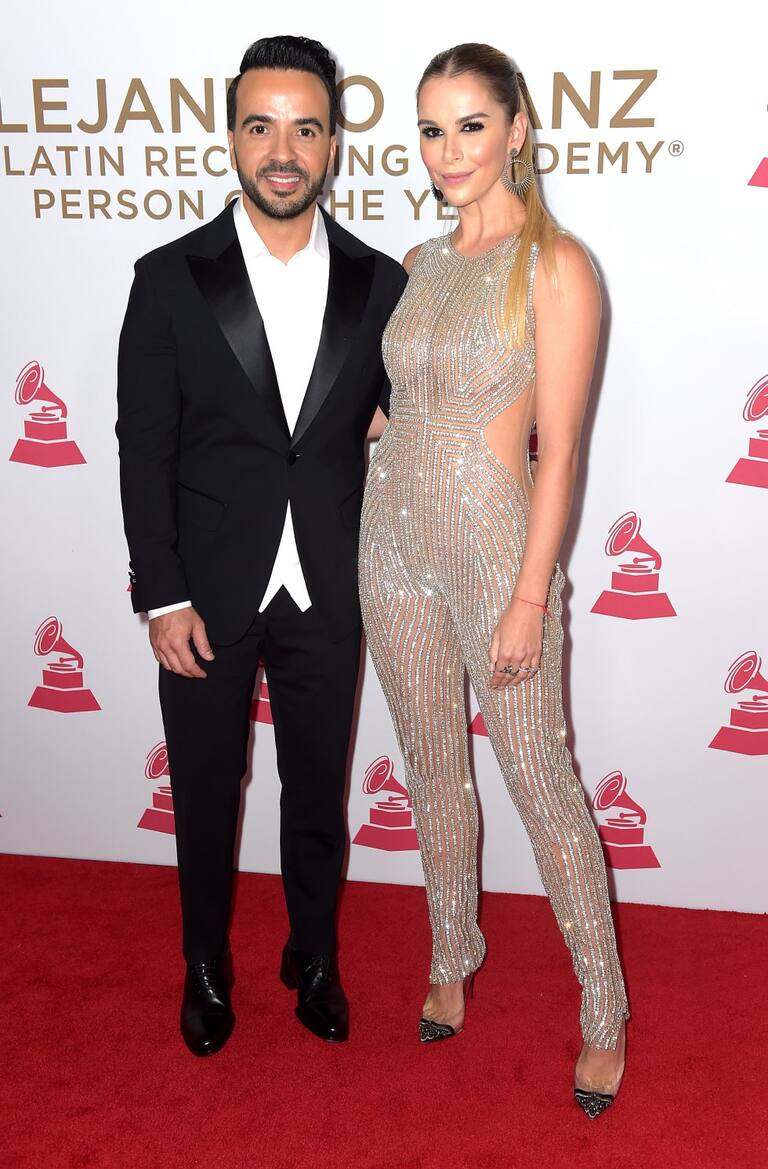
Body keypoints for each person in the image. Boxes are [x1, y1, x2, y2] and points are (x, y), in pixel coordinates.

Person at [116, 35, 406, 1057]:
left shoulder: (380, 283)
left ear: (333, 143)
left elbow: (401, 416)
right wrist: (162, 594)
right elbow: (144, 446)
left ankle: (314, 954)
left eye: (305, 128)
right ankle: (204, 962)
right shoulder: (168, 278)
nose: (283, 151)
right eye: (261, 126)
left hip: (329, 586)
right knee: (203, 789)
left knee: (318, 792)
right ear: (233, 136)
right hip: (203, 594)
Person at [359, 43, 628, 1117]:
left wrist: (529, 597)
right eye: (431, 129)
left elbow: (559, 452)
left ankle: (603, 1005)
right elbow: (394, 408)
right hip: (389, 544)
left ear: (517, 130)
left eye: (470, 125)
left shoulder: (556, 265)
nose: (448, 150)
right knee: (432, 766)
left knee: (541, 783)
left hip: (494, 555)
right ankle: (450, 950)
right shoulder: (419, 260)